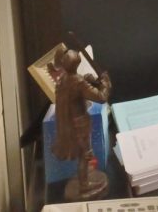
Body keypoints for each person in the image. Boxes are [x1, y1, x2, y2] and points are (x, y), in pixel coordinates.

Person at [51, 45, 112, 200]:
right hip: (80, 125)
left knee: (82, 155)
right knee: (84, 155)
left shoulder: (64, 79)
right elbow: (101, 97)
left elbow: (76, 89)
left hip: (71, 123)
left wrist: (87, 79)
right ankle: (84, 186)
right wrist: (106, 84)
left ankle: (84, 180)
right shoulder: (77, 82)